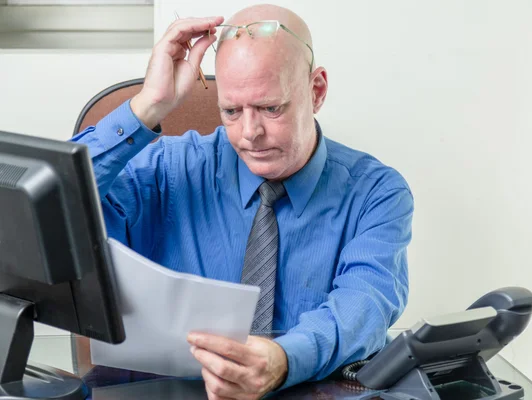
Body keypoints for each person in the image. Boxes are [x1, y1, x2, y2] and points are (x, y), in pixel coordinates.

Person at [72, 4, 414, 399]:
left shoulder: (376, 193)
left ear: (316, 91)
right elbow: (50, 208)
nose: (249, 133)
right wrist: (147, 107)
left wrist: (282, 360)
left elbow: (364, 304)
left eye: (271, 108)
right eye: (231, 110)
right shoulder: (169, 168)